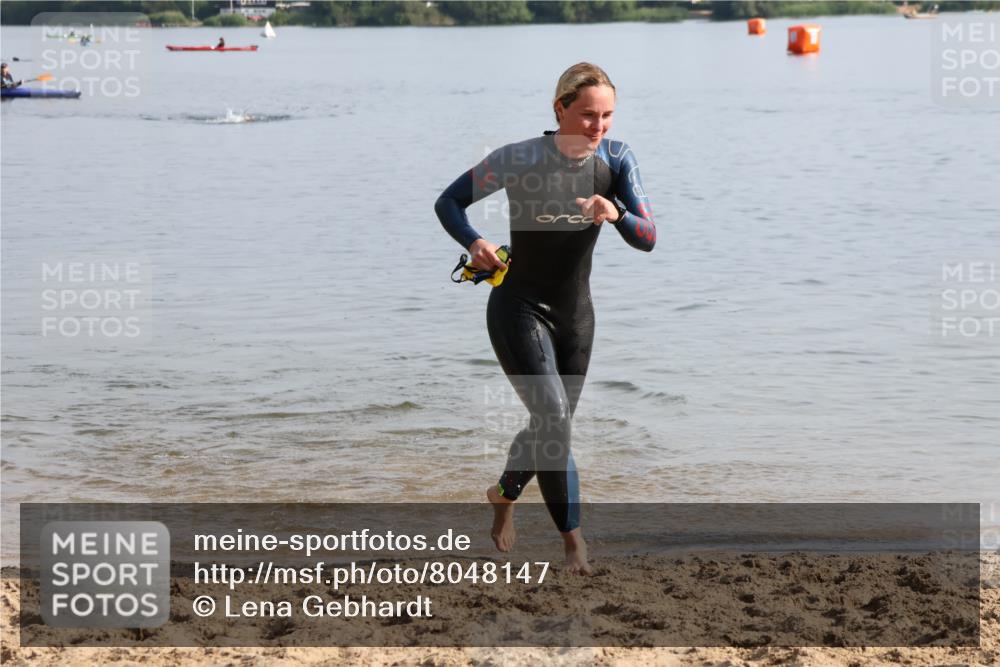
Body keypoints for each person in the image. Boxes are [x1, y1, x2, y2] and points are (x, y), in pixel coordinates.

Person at [434, 62, 656, 575]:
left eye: (607, 116)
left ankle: (504, 495)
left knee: (549, 424)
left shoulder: (617, 160)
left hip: (576, 316)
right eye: (586, 115)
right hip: (518, 306)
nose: (598, 127)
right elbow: (449, 201)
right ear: (560, 109)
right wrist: (476, 241)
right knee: (554, 421)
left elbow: (649, 237)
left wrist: (615, 212)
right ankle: (573, 541)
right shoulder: (521, 158)